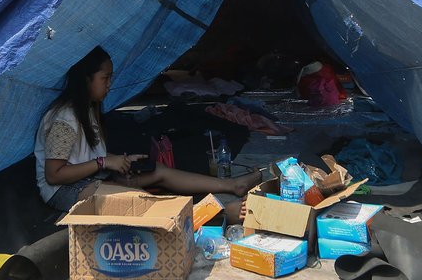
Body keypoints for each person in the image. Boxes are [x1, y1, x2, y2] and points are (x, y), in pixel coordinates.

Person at [35, 46, 260, 219]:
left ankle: (232, 185)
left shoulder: (89, 108)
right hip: (65, 190)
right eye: (105, 78)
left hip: (91, 177)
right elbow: (54, 175)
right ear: (86, 79)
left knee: (160, 171)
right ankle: (218, 213)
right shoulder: (64, 119)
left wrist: (117, 162)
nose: (110, 84)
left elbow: (88, 156)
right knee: (140, 201)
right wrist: (104, 163)